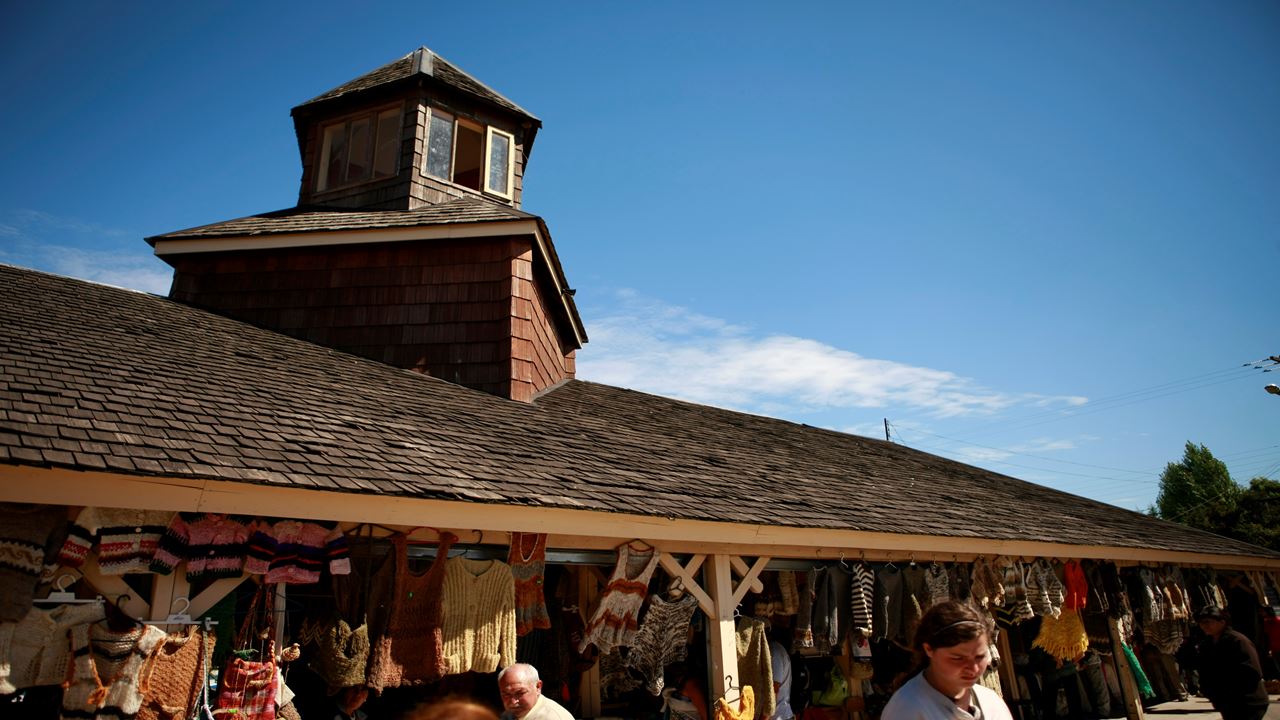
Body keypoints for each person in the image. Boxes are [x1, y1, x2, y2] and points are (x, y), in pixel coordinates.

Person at [880, 600, 1013, 720]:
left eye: (980, 657)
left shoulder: (991, 702)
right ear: (929, 649)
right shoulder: (907, 709)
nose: (974, 668)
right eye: (958, 658)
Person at [1193, 606, 1268, 720]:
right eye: (1201, 622)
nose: (1204, 626)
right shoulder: (1207, 644)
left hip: (1248, 701)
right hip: (1226, 702)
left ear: (1222, 622)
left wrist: (1228, 687)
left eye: (1207, 622)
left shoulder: (1238, 641)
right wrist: (1210, 691)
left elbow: (1252, 671)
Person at [497, 663, 575, 720]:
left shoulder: (553, 717)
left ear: (538, 687)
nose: (513, 702)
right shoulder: (509, 715)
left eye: (520, 693)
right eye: (506, 694)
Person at [768, 636, 793, 720]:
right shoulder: (775, 649)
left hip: (778, 716)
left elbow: (774, 687)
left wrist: (765, 717)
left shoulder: (774, 651)